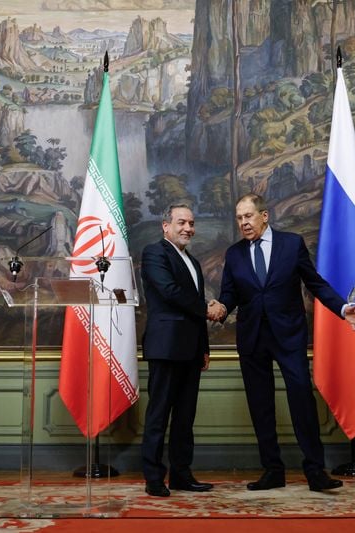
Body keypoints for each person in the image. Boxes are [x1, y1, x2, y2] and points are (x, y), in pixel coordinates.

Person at [209, 193, 355, 492]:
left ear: (264, 215)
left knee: (301, 399)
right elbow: (229, 293)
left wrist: (342, 308)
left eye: (248, 216)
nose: (243, 223)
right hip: (252, 338)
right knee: (261, 405)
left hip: (288, 336)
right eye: (239, 218)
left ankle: (315, 471)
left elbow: (315, 282)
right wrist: (222, 306)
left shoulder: (292, 244)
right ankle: (272, 470)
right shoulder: (234, 254)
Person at [140, 204, 216, 498]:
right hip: (165, 346)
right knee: (158, 415)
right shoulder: (154, 253)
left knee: (185, 417)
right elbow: (169, 291)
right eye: (181, 222)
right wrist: (207, 308)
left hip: (191, 350)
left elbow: (194, 310)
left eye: (191, 223)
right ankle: (153, 478)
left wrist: (204, 348)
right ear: (166, 226)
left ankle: (182, 475)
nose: (188, 228)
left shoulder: (193, 261)